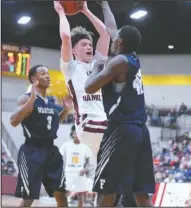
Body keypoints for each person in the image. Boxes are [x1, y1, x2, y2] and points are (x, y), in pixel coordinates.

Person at [84, 1, 155, 207]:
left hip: (120, 130)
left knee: (107, 190)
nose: (112, 39)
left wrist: (97, 66)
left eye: (116, 39)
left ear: (120, 42)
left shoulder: (117, 63)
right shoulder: (132, 56)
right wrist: (104, 4)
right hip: (140, 131)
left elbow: (90, 87)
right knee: (141, 194)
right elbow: (112, 30)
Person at [54, 1, 110, 163]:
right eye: (84, 44)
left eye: (90, 44)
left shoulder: (97, 65)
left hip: (102, 122)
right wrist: (61, 12)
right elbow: (65, 37)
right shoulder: (70, 67)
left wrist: (86, 11)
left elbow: (105, 35)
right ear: (74, 50)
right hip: (87, 123)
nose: (89, 47)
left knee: (104, 175)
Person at [10, 65, 73, 207]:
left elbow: (54, 122)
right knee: (28, 198)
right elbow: (14, 121)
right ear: (34, 79)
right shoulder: (24, 98)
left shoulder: (51, 101)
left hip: (51, 151)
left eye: (48, 73)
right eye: (43, 73)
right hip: (32, 151)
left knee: (61, 195)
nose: (48, 76)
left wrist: (66, 110)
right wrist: (31, 99)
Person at [60, 125, 94, 207]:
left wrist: (85, 169)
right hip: (68, 174)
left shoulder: (85, 147)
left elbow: (90, 163)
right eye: (75, 133)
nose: (77, 135)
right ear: (72, 134)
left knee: (80, 196)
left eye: (79, 133)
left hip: (80, 175)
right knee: (65, 195)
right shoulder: (66, 145)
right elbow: (59, 158)